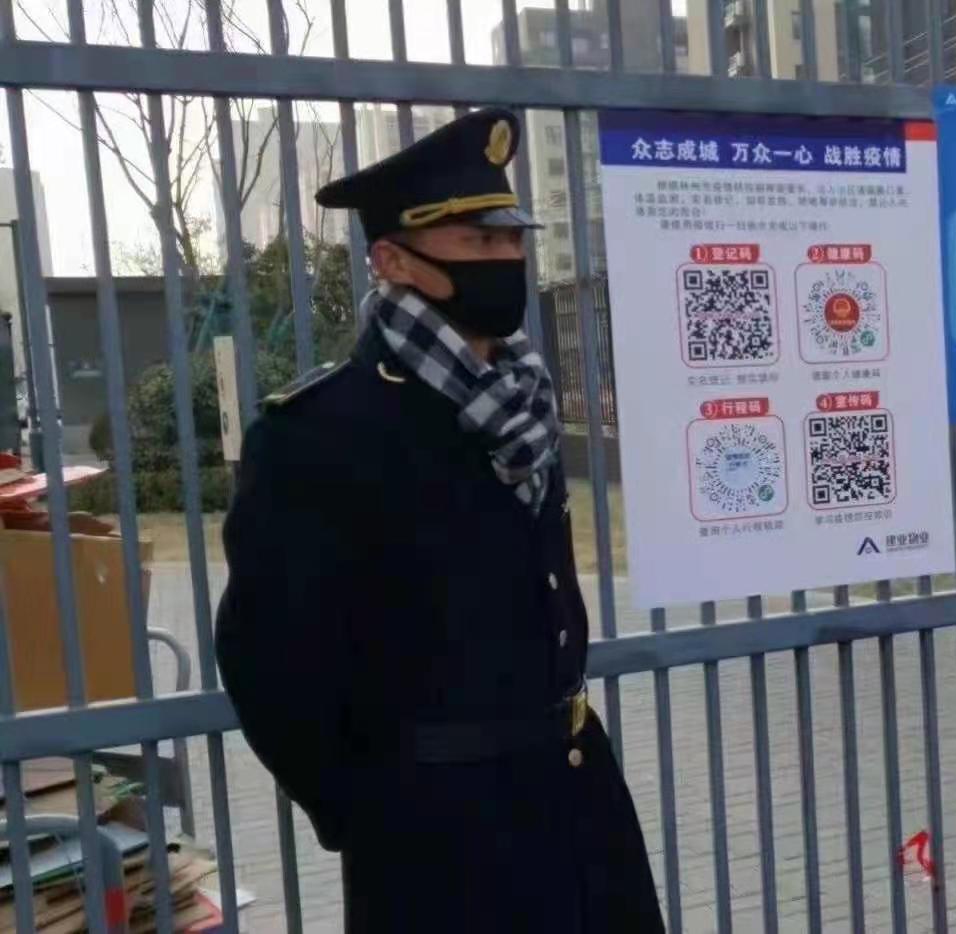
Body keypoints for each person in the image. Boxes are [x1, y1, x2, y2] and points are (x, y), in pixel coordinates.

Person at [214, 108, 666, 934]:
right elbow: (268, 663)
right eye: (476, 242)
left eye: (512, 240)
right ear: (394, 260)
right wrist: (372, 810)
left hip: (577, 800)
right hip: (435, 840)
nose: (505, 260)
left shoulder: (524, 402)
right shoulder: (321, 433)